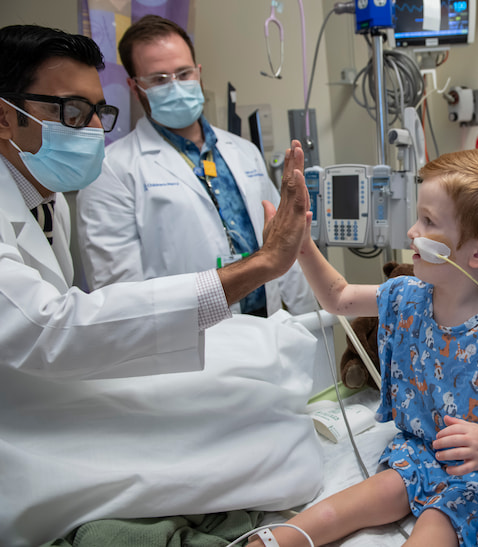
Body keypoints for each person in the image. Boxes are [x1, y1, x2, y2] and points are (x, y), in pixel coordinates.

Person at [0, 24, 319, 545]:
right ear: (4, 116)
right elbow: (60, 325)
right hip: (41, 412)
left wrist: (291, 302)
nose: (89, 131)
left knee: (273, 392)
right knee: (264, 448)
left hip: (159, 340)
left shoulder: (46, 195)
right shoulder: (102, 174)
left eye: (95, 115)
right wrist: (257, 269)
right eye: (71, 113)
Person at [248, 146, 478, 547]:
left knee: (436, 525)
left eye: (428, 221)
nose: (412, 231)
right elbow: (338, 298)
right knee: (345, 506)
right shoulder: (409, 296)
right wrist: (300, 245)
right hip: (421, 453)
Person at [76, 15, 314, 318]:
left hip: (269, 332)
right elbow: (121, 295)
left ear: (198, 73)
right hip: (191, 347)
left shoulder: (244, 152)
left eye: (183, 73)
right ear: (135, 87)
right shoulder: (111, 170)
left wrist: (307, 322)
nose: (175, 85)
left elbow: (284, 245)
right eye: (159, 79)